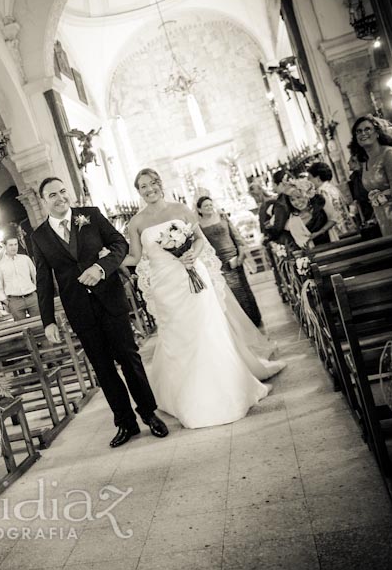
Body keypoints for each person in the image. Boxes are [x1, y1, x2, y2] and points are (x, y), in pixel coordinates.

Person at [121, 169, 282, 430]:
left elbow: (199, 240)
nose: (149, 189)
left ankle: (224, 390)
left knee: (206, 332)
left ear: (160, 184)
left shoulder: (181, 209)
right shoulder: (136, 223)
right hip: (166, 288)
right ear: (138, 191)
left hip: (194, 278)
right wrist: (107, 257)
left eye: (152, 183)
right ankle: (187, 396)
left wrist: (191, 256)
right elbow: (135, 258)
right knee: (179, 338)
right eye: (143, 187)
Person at [31, 176, 168, 447]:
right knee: (103, 369)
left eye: (62, 191)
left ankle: (149, 414)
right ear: (43, 201)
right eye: (53, 195)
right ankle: (125, 423)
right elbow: (43, 280)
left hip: (110, 299)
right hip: (79, 310)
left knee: (129, 359)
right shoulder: (39, 237)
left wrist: (101, 268)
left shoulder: (90, 216)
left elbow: (120, 245)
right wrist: (48, 320)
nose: (60, 198)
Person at [196, 196, 262, 326]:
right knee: (232, 291)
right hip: (218, 261)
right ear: (199, 209)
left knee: (244, 287)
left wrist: (241, 253)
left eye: (210, 204)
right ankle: (243, 322)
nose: (209, 207)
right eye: (205, 206)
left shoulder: (222, 217)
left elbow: (235, 235)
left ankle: (254, 318)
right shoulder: (199, 225)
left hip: (234, 256)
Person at [0, 236, 39, 321]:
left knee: (39, 324)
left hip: (31, 297)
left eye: (15, 244)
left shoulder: (25, 259)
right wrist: (8, 302)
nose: (14, 247)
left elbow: (35, 275)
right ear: (5, 246)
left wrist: (37, 292)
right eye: (10, 245)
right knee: (23, 328)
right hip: (14, 301)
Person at [307, 162, 355, 239]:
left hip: (336, 230)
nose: (308, 181)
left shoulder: (322, 192)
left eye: (309, 178)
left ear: (318, 178)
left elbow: (332, 216)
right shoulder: (332, 188)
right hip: (347, 226)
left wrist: (319, 232)